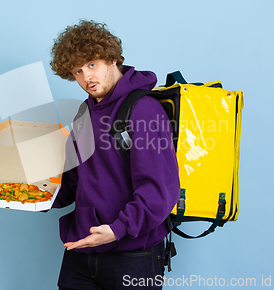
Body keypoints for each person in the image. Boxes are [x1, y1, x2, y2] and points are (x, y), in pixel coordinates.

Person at [49, 20, 180, 290]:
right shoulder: (85, 113)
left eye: (92, 64)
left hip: (133, 253)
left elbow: (160, 190)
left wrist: (117, 229)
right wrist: (32, 196)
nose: (87, 77)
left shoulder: (144, 109)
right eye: (77, 70)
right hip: (82, 247)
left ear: (111, 59)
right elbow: (73, 179)